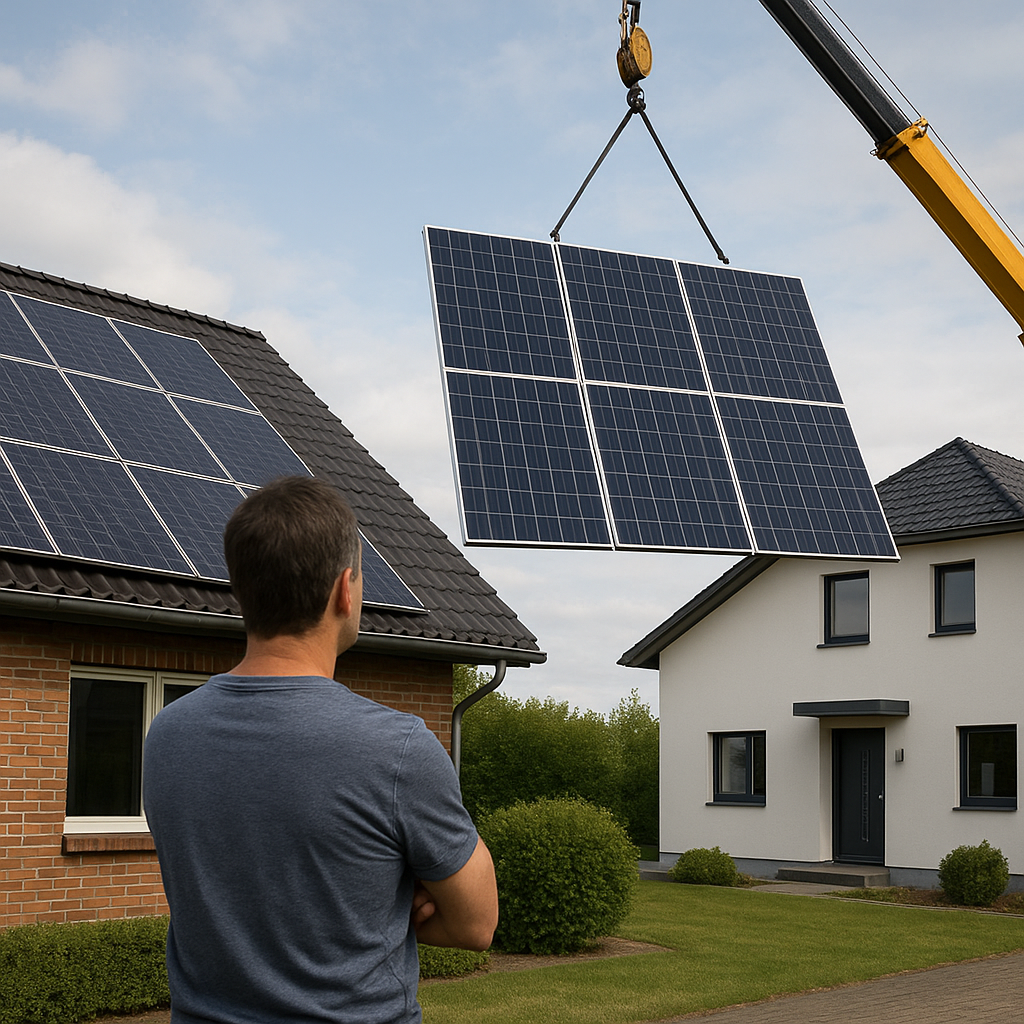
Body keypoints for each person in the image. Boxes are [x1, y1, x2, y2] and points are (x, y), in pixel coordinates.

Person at [143, 476, 497, 1024]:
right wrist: (390, 904)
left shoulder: (167, 733)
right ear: (344, 591)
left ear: (243, 590)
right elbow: (476, 923)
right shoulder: (398, 750)